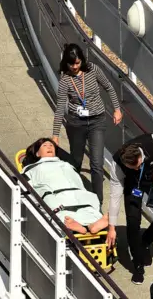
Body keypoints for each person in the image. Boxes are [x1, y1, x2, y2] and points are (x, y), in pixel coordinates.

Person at [52, 44, 122, 207]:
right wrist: (55, 134)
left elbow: (109, 87)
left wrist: (117, 109)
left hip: (97, 121)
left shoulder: (93, 70)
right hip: (76, 123)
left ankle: (98, 202)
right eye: (71, 64)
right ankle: (72, 192)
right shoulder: (65, 81)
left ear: (82, 60)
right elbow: (60, 107)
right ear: (66, 63)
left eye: (77, 63)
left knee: (96, 163)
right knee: (76, 161)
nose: (75, 67)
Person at [106, 133, 153, 284]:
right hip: (133, 186)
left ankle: (144, 241)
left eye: (138, 165)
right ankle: (137, 266)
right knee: (132, 223)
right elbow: (115, 196)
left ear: (140, 155)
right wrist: (111, 227)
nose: (137, 168)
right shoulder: (117, 164)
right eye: (133, 168)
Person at [22, 138, 109, 234]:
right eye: (45, 145)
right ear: (37, 153)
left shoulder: (66, 164)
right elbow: (25, 184)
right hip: (55, 194)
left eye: (51, 145)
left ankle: (92, 225)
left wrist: (56, 145)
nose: (49, 147)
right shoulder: (32, 168)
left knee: (87, 206)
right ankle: (73, 224)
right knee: (56, 207)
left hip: (76, 192)